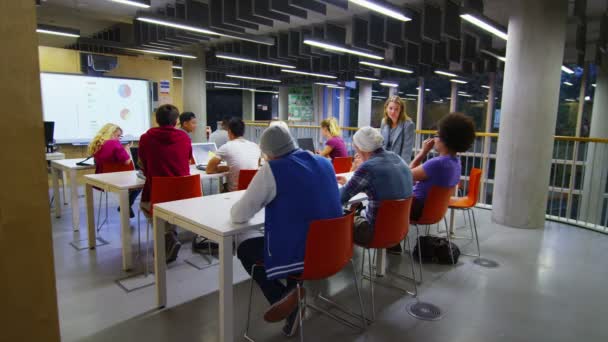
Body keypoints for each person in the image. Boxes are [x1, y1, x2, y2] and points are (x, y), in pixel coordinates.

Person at [231, 125, 342, 337]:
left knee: (244, 244)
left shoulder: (273, 169)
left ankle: (282, 298)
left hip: (303, 256)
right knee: (298, 230)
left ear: (268, 153)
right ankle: (293, 294)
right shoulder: (325, 162)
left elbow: (239, 215)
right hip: (333, 250)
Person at [388, 112, 475, 254]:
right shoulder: (456, 162)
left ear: (444, 138)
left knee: (383, 197)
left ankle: (391, 241)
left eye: (436, 135)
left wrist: (422, 153)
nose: (434, 139)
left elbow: (405, 176)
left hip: (415, 208)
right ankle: (393, 242)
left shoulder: (437, 163)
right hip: (433, 211)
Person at [337, 127, 413, 245]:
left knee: (336, 218)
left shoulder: (368, 168)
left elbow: (339, 198)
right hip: (400, 229)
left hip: (373, 232)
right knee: (357, 208)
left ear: (361, 148)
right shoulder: (398, 158)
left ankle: (335, 260)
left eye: (355, 147)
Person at [138, 104, 192, 263]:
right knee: (169, 206)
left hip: (157, 190)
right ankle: (170, 233)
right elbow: (188, 159)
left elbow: (142, 163)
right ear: (176, 122)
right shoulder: (184, 137)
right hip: (184, 193)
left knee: (146, 205)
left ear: (156, 120)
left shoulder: (146, 138)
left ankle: (167, 234)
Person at [88, 123, 140, 218]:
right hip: (119, 178)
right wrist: (127, 150)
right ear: (111, 133)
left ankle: (126, 205)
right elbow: (127, 161)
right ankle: (126, 204)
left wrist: (122, 150)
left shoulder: (97, 144)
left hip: (103, 178)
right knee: (141, 182)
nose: (118, 138)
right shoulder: (114, 143)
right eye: (118, 136)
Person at [206, 117, 261, 192]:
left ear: (229, 132)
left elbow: (209, 169)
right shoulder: (255, 146)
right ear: (243, 132)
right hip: (252, 192)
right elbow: (256, 165)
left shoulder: (227, 147)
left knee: (220, 189)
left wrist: (224, 168)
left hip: (234, 192)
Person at [380, 95, 415, 163]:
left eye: (396, 109)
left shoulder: (408, 124)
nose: (393, 111)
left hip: (398, 163)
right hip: (383, 161)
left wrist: (401, 169)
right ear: (386, 108)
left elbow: (406, 151)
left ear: (401, 110)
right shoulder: (384, 121)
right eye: (390, 108)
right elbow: (381, 144)